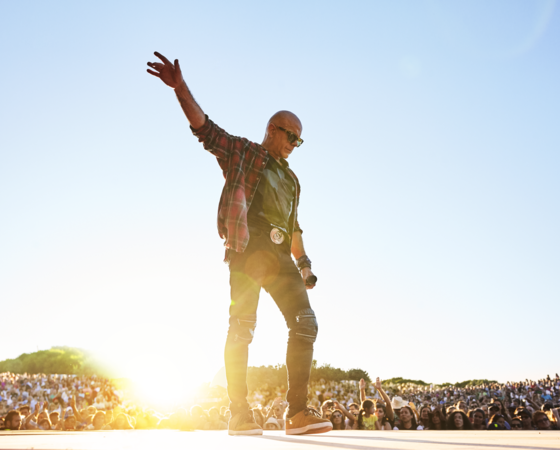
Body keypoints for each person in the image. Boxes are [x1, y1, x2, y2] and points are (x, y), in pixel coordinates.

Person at [147, 51, 331, 437]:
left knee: (305, 324)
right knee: (242, 328)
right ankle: (239, 414)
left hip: (281, 255)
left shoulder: (294, 181)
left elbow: (294, 226)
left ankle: (296, 413)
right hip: (249, 250)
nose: (293, 145)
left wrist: (306, 265)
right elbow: (206, 130)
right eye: (289, 136)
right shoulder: (244, 152)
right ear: (272, 130)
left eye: (300, 141)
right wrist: (180, 89)